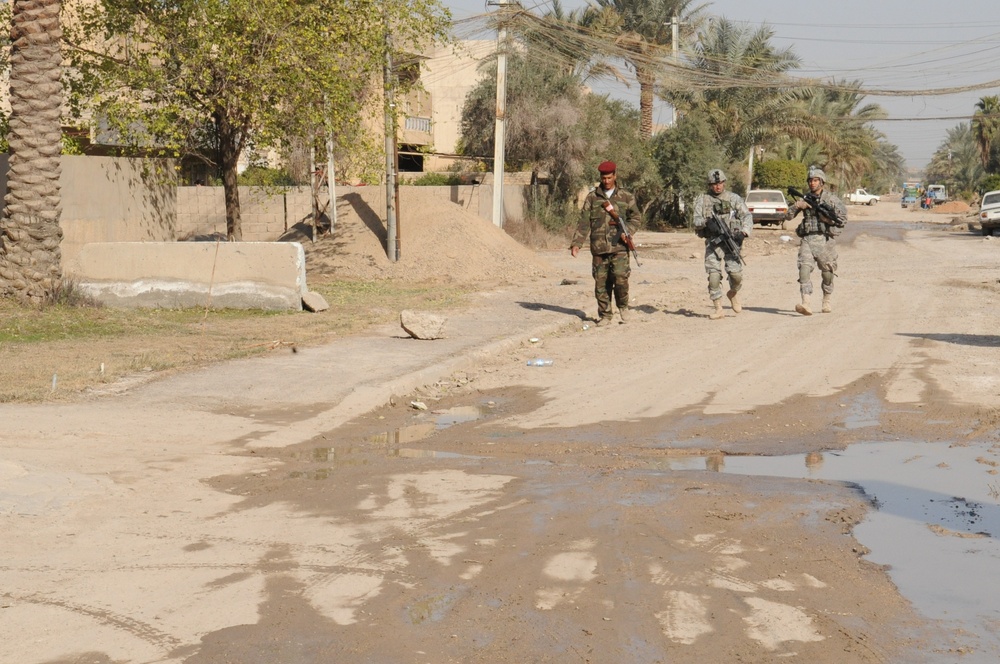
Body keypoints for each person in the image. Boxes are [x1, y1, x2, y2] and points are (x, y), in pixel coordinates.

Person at [570, 160, 641, 326]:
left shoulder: (626, 196)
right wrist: (576, 243)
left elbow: (636, 217)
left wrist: (627, 231)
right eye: (604, 178)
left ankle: (623, 307)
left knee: (621, 278)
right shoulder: (592, 198)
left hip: (620, 247)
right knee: (601, 283)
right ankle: (605, 315)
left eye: (609, 177)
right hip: (599, 248)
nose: (606, 181)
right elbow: (583, 223)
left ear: (615, 176)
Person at [784, 166, 848, 315]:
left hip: (825, 240)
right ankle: (806, 302)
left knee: (827, 273)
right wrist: (796, 206)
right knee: (804, 269)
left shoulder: (831, 199)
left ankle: (826, 299)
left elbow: (842, 219)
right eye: (810, 180)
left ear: (822, 182)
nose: (812, 183)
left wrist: (828, 220)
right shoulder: (804, 198)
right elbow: (787, 216)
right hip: (807, 239)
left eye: (815, 180)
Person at [692, 169, 753, 319]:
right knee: (713, 276)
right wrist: (707, 223)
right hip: (713, 243)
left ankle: (733, 293)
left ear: (724, 183)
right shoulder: (703, 199)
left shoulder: (733, 198)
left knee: (736, 275)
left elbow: (746, 215)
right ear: (709, 184)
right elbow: (695, 221)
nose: (717, 186)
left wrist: (744, 232)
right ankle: (718, 308)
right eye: (714, 184)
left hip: (731, 241)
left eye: (720, 183)